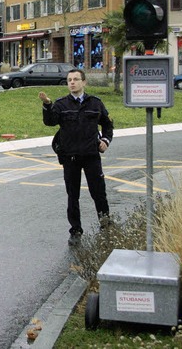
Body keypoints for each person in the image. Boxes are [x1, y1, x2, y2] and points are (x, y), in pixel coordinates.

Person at [38, 68, 114, 247]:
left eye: (76, 79)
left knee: (99, 193)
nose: (72, 82)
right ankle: (76, 230)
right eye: (69, 80)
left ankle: (106, 226)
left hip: (91, 155)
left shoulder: (95, 103)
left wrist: (105, 140)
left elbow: (108, 125)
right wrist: (47, 105)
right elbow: (50, 122)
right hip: (70, 157)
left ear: (84, 82)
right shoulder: (61, 104)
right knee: (73, 195)